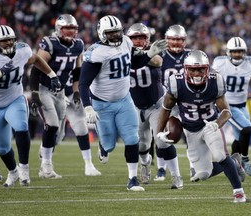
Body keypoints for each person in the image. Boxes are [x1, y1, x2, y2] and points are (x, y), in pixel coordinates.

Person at [79, 15, 167, 191]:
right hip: (102, 104)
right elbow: (83, 83)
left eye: (117, 32)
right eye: (110, 33)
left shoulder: (126, 42)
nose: (115, 36)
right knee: (110, 145)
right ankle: (103, 146)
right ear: (102, 34)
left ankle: (132, 179)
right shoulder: (96, 53)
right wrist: (88, 106)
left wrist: (149, 54)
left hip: (124, 100)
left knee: (132, 138)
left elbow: (133, 63)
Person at [157, 50, 247, 203]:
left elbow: (226, 111)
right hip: (190, 130)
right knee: (203, 174)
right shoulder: (176, 83)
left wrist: (216, 124)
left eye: (200, 69)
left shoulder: (215, 81)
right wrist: (159, 132)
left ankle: (239, 192)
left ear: (207, 69)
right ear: (186, 69)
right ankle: (235, 162)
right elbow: (165, 109)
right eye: (192, 69)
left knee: (220, 156)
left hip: (209, 125)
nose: (197, 73)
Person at [29, 14, 100, 178]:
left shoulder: (79, 45)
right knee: (53, 125)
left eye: (73, 28)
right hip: (46, 89)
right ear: (58, 29)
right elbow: (36, 68)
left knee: (70, 131)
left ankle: (89, 165)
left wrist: (76, 92)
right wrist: (34, 93)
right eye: (67, 28)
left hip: (65, 91)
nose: (71, 31)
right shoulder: (49, 43)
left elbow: (77, 71)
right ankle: (45, 167)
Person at [0, 25, 61, 187]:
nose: (8, 44)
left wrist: (52, 75)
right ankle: (13, 172)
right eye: (3, 42)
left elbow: (36, 59)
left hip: (14, 99)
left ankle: (24, 168)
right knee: (2, 148)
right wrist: (1, 71)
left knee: (21, 126)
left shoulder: (21, 51)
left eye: (10, 40)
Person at [127, 23, 183, 188]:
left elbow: (157, 61)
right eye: (134, 38)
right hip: (134, 106)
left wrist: (139, 55)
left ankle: (176, 176)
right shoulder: (123, 53)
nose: (137, 41)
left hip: (156, 104)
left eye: (141, 37)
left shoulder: (153, 50)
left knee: (162, 141)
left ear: (147, 39)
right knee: (142, 144)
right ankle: (145, 164)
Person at [212, 37, 251, 177]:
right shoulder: (220, 64)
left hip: (242, 106)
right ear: (228, 52)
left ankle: (234, 167)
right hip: (227, 106)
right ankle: (245, 160)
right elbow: (212, 79)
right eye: (235, 52)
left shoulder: (250, 63)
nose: (237, 55)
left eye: (240, 52)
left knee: (238, 139)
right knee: (246, 128)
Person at [155, 24, 192, 181]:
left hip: (186, 101)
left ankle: (194, 167)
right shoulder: (159, 56)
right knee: (162, 135)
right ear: (166, 40)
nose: (176, 43)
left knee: (191, 135)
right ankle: (161, 168)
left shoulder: (191, 56)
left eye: (179, 40)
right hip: (166, 102)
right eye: (173, 39)